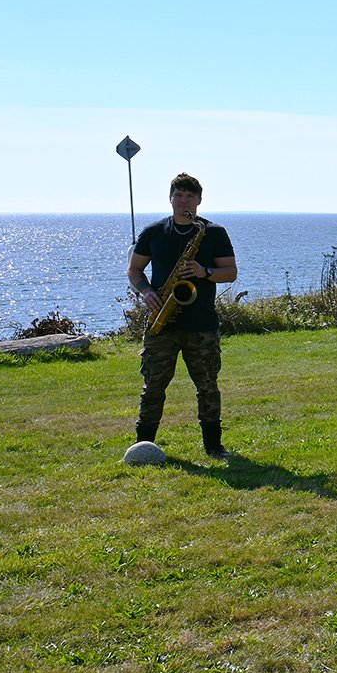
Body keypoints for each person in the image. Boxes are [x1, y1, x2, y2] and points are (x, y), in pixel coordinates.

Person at [128, 173, 238, 459]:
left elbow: (231, 273)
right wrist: (146, 292)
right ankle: (144, 446)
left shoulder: (213, 233)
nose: (183, 200)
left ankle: (214, 445)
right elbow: (134, 270)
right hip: (161, 322)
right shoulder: (153, 232)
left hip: (201, 324)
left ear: (199, 200)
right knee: (153, 385)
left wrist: (205, 273)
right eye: (178, 194)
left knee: (207, 386)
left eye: (189, 195)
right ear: (170, 198)